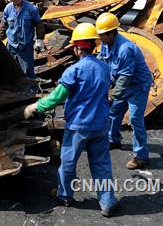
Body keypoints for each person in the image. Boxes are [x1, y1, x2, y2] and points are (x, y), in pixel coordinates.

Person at [24, 23, 118, 218]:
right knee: (101, 164)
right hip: (101, 125)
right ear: (93, 46)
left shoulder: (74, 71)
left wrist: (35, 107)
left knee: (68, 162)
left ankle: (65, 195)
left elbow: (57, 97)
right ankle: (107, 202)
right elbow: (108, 89)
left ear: (76, 47)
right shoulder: (104, 67)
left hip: (79, 126)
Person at [96, 12, 153, 170]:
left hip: (137, 86)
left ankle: (141, 156)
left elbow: (124, 78)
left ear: (112, 32)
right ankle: (113, 140)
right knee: (114, 112)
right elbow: (102, 63)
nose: (100, 38)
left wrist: (110, 95)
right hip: (125, 83)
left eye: (103, 35)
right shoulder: (106, 45)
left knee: (135, 119)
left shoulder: (125, 49)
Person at [0, 0, 45, 79]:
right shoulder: (8, 9)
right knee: (10, 69)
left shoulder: (31, 9)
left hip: (25, 47)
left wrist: (39, 39)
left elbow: (38, 24)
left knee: (27, 71)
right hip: (11, 46)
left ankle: (31, 91)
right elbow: (3, 24)